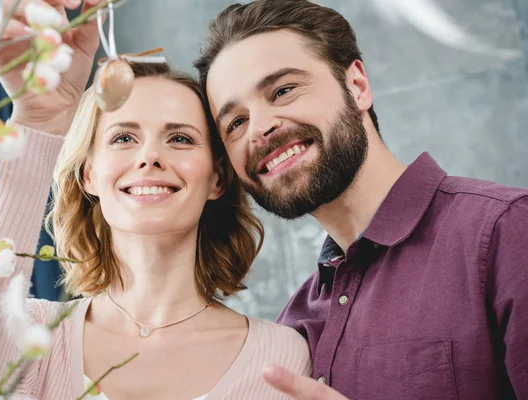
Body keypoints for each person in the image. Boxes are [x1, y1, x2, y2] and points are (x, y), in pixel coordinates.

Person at [0, 1, 312, 399]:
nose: (150, 156)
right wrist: (36, 122)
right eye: (123, 138)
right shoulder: (34, 332)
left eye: (180, 138)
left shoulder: (281, 356)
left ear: (217, 178)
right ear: (89, 175)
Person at [192, 0, 528, 399]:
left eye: (282, 91)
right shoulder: (295, 324)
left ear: (357, 85)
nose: (260, 129)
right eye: (236, 123)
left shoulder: (508, 231)